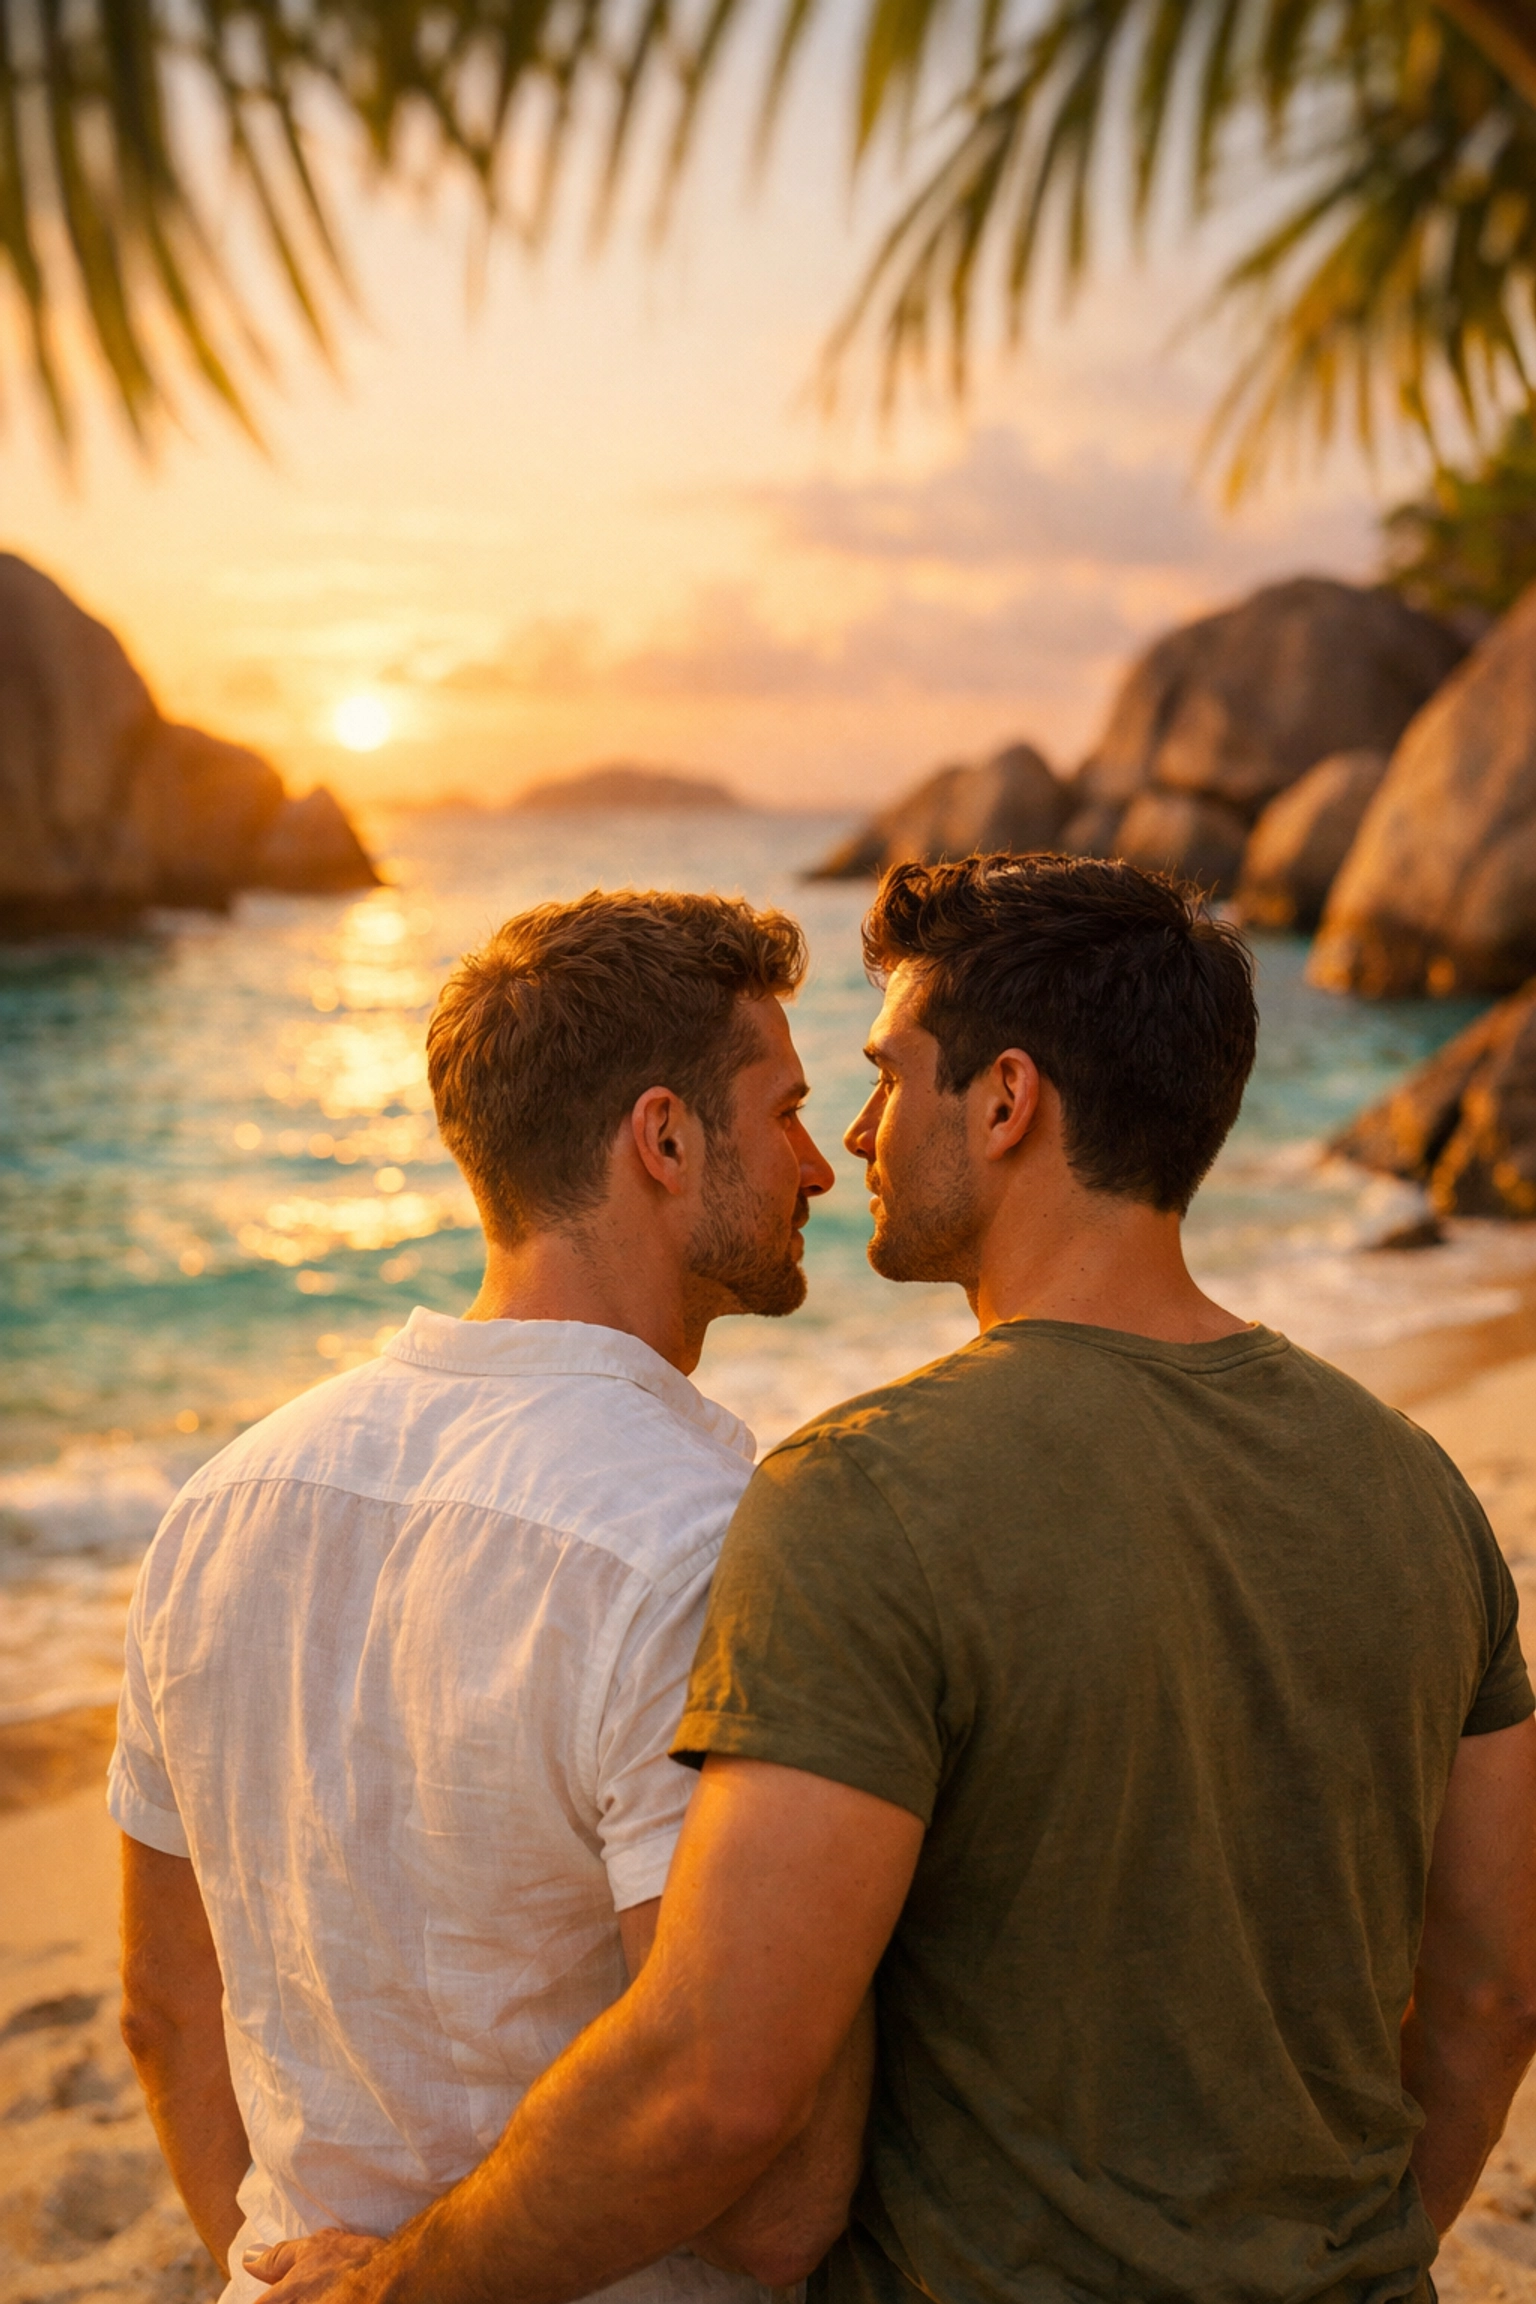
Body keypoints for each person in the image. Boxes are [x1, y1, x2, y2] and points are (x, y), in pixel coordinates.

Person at [252, 853, 1536, 2304]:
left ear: (1005, 1104)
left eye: (884, 1075)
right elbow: (1493, 1999)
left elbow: (723, 2083)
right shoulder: (1421, 1489)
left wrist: (393, 2286)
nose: (850, 1133)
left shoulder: (866, 1496)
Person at [112, 887, 860, 2304]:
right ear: (665, 1138)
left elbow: (163, 2009)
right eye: (786, 1111)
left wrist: (280, 2269)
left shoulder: (218, 1503)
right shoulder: (693, 1539)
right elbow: (748, 2164)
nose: (820, 1166)